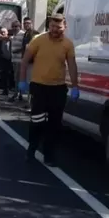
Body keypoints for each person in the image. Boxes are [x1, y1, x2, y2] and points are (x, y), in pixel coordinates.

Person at [18, 13, 79, 167]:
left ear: (65, 27)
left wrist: (75, 86)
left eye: (58, 27)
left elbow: (72, 65)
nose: (54, 30)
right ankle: (31, 150)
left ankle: (49, 155)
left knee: (54, 124)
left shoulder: (67, 44)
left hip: (58, 89)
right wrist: (22, 80)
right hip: (39, 87)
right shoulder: (38, 40)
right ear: (48, 26)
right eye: (52, 26)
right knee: (37, 121)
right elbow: (25, 61)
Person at [10, 17, 40, 104]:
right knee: (26, 81)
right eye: (25, 23)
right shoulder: (26, 33)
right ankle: (28, 102)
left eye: (28, 23)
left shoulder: (34, 33)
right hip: (25, 61)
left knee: (31, 82)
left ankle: (31, 103)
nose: (26, 25)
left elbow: (32, 48)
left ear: (32, 23)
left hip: (31, 61)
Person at [0, 27, 13, 96]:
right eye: (1, 32)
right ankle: (5, 90)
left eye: (4, 32)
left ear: (7, 33)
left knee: (11, 75)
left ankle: (12, 89)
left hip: (11, 60)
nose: (3, 33)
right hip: (3, 60)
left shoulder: (11, 40)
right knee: (4, 76)